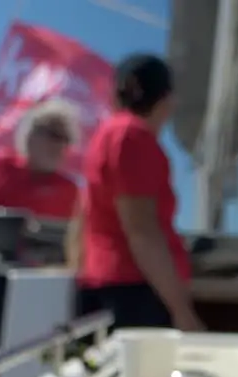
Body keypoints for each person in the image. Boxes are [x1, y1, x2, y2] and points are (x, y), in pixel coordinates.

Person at [76, 53, 202, 331]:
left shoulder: (106, 135)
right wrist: (182, 311)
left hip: (108, 285)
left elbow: (83, 218)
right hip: (133, 292)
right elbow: (142, 232)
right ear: (167, 101)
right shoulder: (133, 138)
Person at [0, 98, 80, 227]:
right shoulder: (1, 165)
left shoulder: (71, 190)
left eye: (66, 139)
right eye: (54, 135)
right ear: (30, 135)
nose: (59, 145)